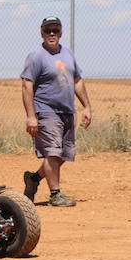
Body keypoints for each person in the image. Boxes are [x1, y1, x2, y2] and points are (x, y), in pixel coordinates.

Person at [20, 15, 92, 207]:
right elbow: (27, 86)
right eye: (48, 30)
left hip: (67, 111)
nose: (52, 34)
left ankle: (34, 179)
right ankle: (55, 194)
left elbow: (77, 80)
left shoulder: (68, 54)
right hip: (46, 110)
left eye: (55, 30)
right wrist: (31, 116)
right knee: (52, 153)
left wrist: (86, 106)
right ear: (41, 32)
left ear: (61, 32)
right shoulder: (36, 56)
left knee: (63, 154)